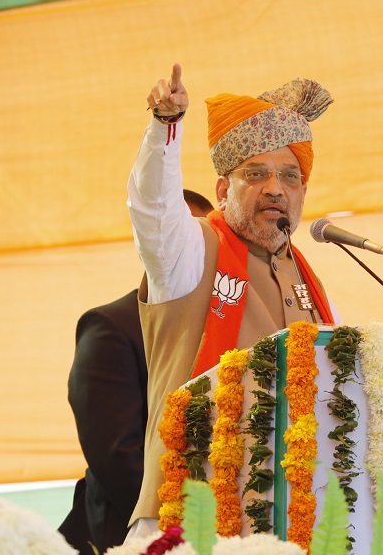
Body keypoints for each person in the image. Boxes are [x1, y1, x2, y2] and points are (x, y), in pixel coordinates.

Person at [125, 64, 336, 535]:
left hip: (294, 517)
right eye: (255, 174)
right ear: (223, 189)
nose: (275, 189)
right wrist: (165, 127)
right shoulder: (190, 251)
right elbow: (153, 207)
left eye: (290, 177)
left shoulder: (311, 282)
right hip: (189, 513)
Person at [59, 190, 214, 554]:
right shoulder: (112, 326)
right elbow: (118, 455)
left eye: (206, 239)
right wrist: (188, 530)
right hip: (130, 534)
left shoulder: (225, 322)